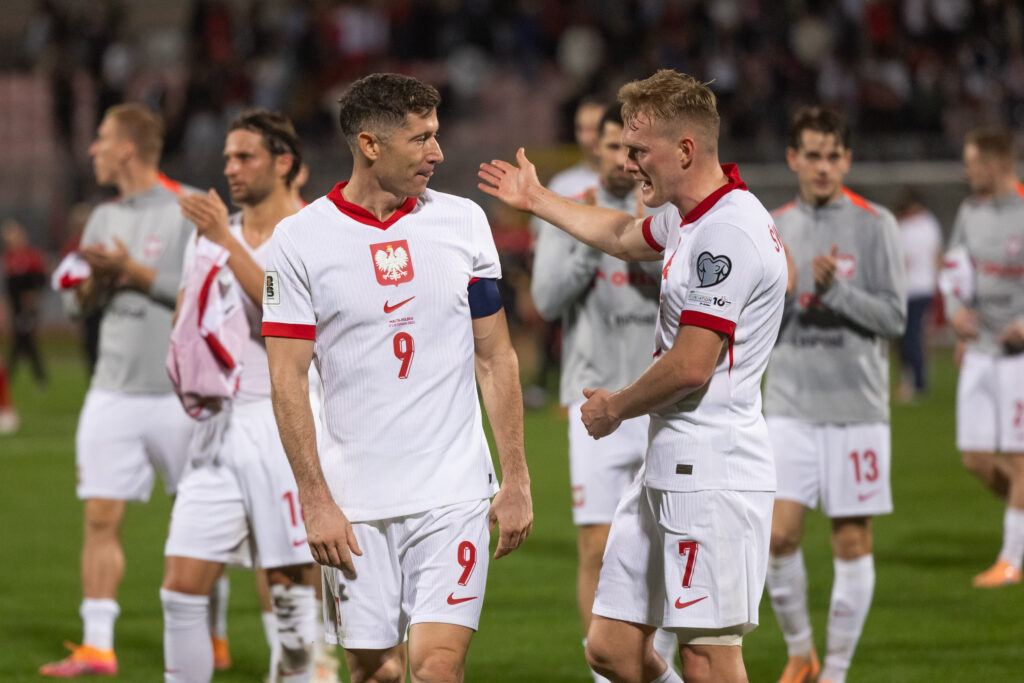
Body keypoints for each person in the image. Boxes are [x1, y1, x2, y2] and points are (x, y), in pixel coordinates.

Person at [480, 69, 787, 683]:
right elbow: (621, 234)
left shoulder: (726, 233)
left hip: (714, 474)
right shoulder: (693, 217)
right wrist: (538, 200)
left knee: (707, 656)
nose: (627, 164)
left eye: (639, 151)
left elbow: (693, 363)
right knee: (611, 650)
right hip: (669, 463)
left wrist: (615, 406)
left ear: (686, 150)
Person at [262, 73, 533, 683]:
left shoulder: (463, 223)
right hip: (355, 505)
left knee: (438, 667)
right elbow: (286, 379)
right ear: (370, 144)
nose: (437, 153)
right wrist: (315, 499)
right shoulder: (299, 242)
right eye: (421, 139)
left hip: (453, 492)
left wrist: (514, 477)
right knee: (375, 671)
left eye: (436, 136)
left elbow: (496, 358)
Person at [160, 109, 320, 683]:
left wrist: (223, 242)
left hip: (284, 424)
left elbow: (283, 311)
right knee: (181, 588)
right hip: (218, 429)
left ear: (284, 163)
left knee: (291, 590)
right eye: (227, 156)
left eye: (244, 156)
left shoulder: (310, 233)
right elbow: (188, 315)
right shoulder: (210, 237)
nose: (230, 167)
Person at [40, 104, 195, 677]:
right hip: (112, 388)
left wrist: (135, 270)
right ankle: (98, 646)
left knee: (198, 516)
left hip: (183, 393)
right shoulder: (102, 217)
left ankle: (212, 631)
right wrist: (96, 281)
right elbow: (77, 302)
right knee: (100, 516)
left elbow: (209, 296)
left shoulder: (190, 207)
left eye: (101, 139)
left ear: (127, 148)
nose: (93, 150)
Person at [530, 102, 676, 682]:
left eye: (631, 149)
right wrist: (595, 247)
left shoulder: (670, 211)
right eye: (613, 147)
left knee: (663, 544)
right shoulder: (576, 212)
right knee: (595, 546)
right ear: (600, 150)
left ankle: (649, 660)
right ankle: (606, 674)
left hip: (661, 402)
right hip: (593, 403)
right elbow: (544, 301)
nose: (623, 158)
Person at [764, 107, 906, 683]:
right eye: (812, 155)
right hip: (790, 406)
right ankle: (801, 650)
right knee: (777, 534)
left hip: (856, 411)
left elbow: (896, 318)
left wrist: (836, 291)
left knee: (850, 538)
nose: (823, 167)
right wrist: (788, 298)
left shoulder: (877, 225)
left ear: (846, 160)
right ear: (793, 158)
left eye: (833, 156)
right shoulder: (771, 227)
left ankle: (837, 670)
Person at [944, 127, 1024, 588]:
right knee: (975, 457)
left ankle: (1011, 560)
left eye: (972, 163)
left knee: (1018, 457)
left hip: (1017, 356)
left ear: (995, 165)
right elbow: (955, 267)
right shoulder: (970, 212)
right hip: (978, 349)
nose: (966, 171)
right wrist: (955, 314)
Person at [526, 97, 606, 408]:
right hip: (572, 280)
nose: (588, 137)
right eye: (581, 129)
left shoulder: (636, 183)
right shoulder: (564, 183)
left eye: (595, 129)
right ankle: (548, 386)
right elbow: (539, 238)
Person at [893, 186, 942, 401]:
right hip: (926, 287)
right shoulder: (931, 224)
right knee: (913, 336)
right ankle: (915, 379)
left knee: (909, 337)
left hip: (911, 288)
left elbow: (902, 262)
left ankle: (916, 382)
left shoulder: (905, 227)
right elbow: (936, 256)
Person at [2, 218, 48, 386]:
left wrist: (33, 298)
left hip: (28, 307)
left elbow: (41, 281)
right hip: (16, 307)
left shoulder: (31, 256)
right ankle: (39, 378)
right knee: (23, 340)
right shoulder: (9, 258)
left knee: (24, 339)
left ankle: (10, 376)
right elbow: (8, 287)